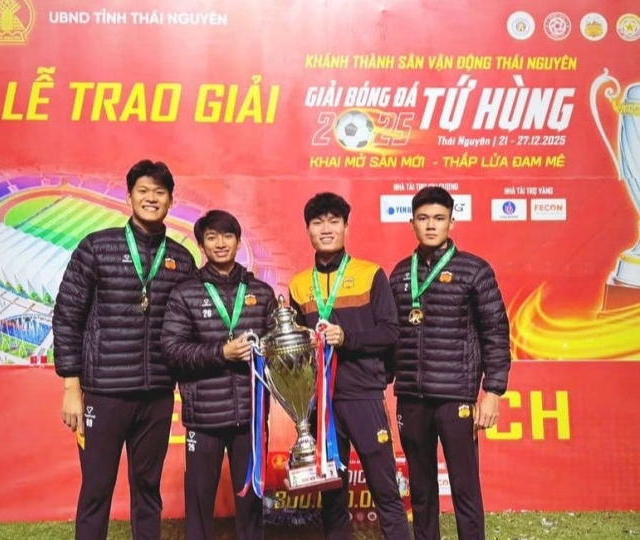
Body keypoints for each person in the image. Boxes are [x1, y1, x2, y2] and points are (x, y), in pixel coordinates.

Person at [52, 159, 195, 540]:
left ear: (170, 200)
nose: (151, 198)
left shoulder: (182, 260)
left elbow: (192, 328)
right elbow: (67, 316)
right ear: (129, 196)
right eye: (143, 191)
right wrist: (71, 388)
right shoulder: (96, 247)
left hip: (157, 395)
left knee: (148, 491)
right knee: (96, 490)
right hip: (104, 394)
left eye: (159, 192)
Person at [389, 186, 511, 540]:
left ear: (451, 222)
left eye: (439, 218)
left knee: (464, 487)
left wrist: (492, 392)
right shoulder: (399, 273)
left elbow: (496, 333)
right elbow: (390, 336)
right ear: (412, 223)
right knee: (421, 491)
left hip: (456, 396)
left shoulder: (475, 270)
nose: (431, 226)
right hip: (411, 398)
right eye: (423, 218)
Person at [288, 192, 412, 540]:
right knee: (331, 494)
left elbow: (390, 331)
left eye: (333, 221)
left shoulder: (371, 274)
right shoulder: (298, 284)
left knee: (385, 489)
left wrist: (348, 339)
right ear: (308, 230)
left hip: (363, 396)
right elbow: (296, 348)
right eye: (318, 222)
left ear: (346, 226)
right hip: (321, 404)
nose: (326, 229)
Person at [161, 210, 276, 540]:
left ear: (238, 242)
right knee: (199, 503)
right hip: (204, 418)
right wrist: (221, 353)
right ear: (201, 245)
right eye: (212, 237)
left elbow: (275, 349)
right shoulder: (185, 293)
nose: (220, 243)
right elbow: (172, 350)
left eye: (227, 236)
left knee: (251, 502)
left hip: (250, 417)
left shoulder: (262, 293)